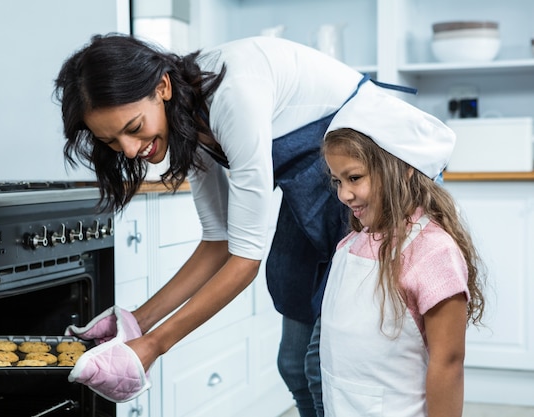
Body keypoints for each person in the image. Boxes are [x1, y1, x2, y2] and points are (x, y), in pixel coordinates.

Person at [53, 32, 399, 414]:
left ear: (162, 88)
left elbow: (244, 261)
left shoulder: (232, 96)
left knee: (325, 369)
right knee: (295, 368)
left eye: (133, 128)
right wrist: (136, 322)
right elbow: (218, 241)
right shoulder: (186, 117)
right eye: (113, 142)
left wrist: (153, 346)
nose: (132, 150)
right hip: (315, 191)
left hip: (373, 182)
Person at [318, 83, 486, 417]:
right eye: (338, 181)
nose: (344, 194)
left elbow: (448, 363)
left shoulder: (432, 253)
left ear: (404, 169)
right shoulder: (351, 244)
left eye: (354, 178)